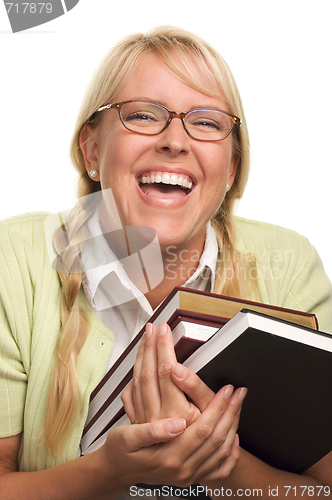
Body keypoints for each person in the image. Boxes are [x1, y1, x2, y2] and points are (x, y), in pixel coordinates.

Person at [0, 26, 331, 500]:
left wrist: (219, 466)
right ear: (92, 150)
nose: (175, 141)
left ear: (231, 167)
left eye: (207, 122)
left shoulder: (290, 266)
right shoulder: (12, 259)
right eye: (143, 115)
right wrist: (107, 471)